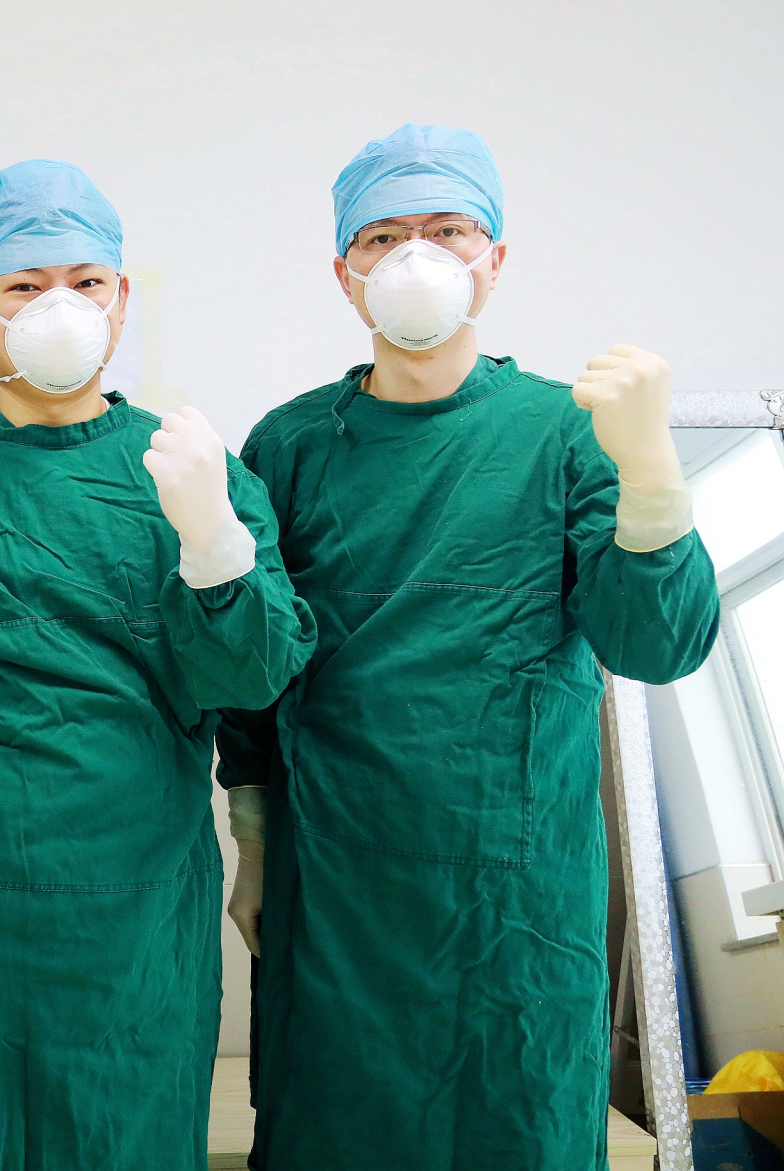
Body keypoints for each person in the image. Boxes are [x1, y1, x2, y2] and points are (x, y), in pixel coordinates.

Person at [220, 123, 721, 1169]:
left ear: (494, 259)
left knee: (516, 1127)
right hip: (339, 888)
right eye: (383, 236)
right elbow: (256, 670)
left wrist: (652, 479)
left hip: (516, 903)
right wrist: (254, 835)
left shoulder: (569, 431)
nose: (417, 257)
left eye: (448, 230)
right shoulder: (291, 444)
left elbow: (657, 641)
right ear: (345, 273)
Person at [0, 160, 316, 1170]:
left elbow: (255, 682)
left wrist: (214, 541)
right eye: (24, 285)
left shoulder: (192, 468)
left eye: (87, 282)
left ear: (121, 300)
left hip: (146, 907)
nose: (60, 308)